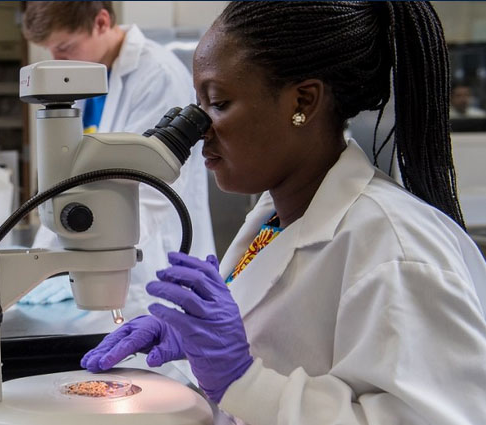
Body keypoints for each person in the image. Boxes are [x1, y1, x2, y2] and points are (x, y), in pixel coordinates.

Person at [82, 3, 486, 424]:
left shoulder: (395, 253)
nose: (199, 127)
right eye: (197, 103)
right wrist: (195, 344)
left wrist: (243, 380)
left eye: (218, 103)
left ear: (303, 101)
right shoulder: (276, 220)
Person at [18, 1, 215, 305]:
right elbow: (64, 186)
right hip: (96, 264)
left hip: (149, 261)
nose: (57, 60)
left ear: (101, 22)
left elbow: (150, 187)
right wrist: (44, 263)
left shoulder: (157, 75)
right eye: (50, 51)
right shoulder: (82, 84)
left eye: (65, 48)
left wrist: (87, 256)